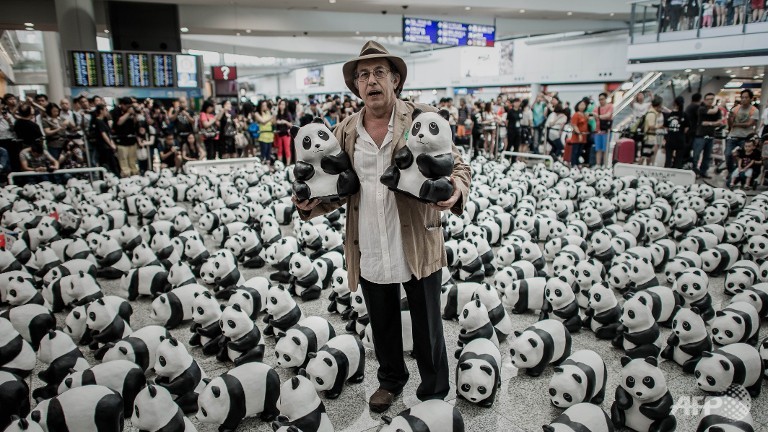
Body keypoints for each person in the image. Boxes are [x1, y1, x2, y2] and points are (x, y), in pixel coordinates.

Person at [292, 40, 470, 414]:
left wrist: (455, 190)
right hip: (369, 239)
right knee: (383, 320)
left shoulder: (420, 118)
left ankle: (434, 389)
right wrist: (309, 204)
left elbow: (458, 166)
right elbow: (336, 188)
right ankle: (390, 381)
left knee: (427, 323)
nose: (370, 81)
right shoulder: (343, 130)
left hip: (416, 239)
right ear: (356, 86)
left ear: (395, 80)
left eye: (378, 73)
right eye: (363, 75)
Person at [726, 89, 759, 175]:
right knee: (728, 154)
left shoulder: (754, 110)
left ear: (751, 99)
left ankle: (739, 174)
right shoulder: (735, 109)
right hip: (733, 135)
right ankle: (731, 172)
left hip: (746, 138)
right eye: (742, 97)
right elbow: (730, 124)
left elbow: (749, 124)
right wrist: (730, 118)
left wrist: (735, 124)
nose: (744, 99)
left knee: (743, 157)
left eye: (746, 97)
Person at [692, 93, 721, 178]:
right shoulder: (701, 108)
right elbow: (711, 113)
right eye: (708, 99)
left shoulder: (717, 110)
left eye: (712, 99)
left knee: (707, 155)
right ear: (704, 100)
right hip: (700, 135)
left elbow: (719, 122)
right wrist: (714, 123)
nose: (710, 101)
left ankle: (703, 171)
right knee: (696, 154)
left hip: (711, 135)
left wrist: (709, 123)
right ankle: (694, 171)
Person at [112, 97, 140, 177]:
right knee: (123, 161)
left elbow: (136, 123)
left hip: (132, 140)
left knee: (133, 161)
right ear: (122, 105)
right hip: (121, 141)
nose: (129, 108)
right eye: (127, 106)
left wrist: (134, 115)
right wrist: (127, 113)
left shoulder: (132, 111)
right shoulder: (116, 111)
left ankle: (135, 175)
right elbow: (119, 122)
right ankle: (126, 175)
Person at [89, 104, 119, 175]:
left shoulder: (104, 121)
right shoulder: (98, 121)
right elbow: (104, 135)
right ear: (101, 111)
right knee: (106, 164)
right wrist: (110, 145)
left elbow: (108, 134)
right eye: (105, 110)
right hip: (103, 147)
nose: (107, 112)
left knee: (113, 164)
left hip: (107, 146)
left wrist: (112, 144)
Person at [665, 96, 689, 168]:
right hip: (680, 139)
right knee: (678, 159)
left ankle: (666, 175)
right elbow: (686, 128)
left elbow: (666, 127)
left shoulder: (670, 115)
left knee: (668, 159)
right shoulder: (685, 115)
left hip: (670, 139)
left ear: (674, 103)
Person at [641, 97, 665, 166]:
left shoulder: (653, 113)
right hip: (649, 137)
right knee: (645, 155)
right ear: (658, 105)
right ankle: (642, 169)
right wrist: (660, 126)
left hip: (650, 137)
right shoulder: (652, 113)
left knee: (648, 154)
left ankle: (647, 168)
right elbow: (651, 126)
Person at [593, 93, 614, 167]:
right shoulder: (596, 108)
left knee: (606, 149)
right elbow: (595, 118)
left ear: (606, 99)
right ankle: (598, 164)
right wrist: (599, 117)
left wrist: (599, 116)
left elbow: (608, 116)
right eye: (599, 99)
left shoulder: (610, 106)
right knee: (598, 149)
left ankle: (605, 165)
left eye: (602, 99)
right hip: (598, 131)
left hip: (606, 131)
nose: (601, 101)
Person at [567, 99, 589, 166]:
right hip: (577, 136)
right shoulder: (576, 115)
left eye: (584, 105)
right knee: (575, 152)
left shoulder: (585, 115)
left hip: (584, 136)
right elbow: (574, 125)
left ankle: (577, 164)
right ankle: (573, 164)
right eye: (581, 104)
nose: (582, 106)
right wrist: (579, 134)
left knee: (580, 151)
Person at [274, 99, 294, 165]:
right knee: (279, 149)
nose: (282, 106)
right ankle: (280, 164)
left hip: (286, 134)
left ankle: (288, 164)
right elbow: (274, 123)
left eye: (283, 104)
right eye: (280, 104)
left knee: (287, 149)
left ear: (285, 106)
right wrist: (276, 122)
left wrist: (285, 122)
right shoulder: (277, 114)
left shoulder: (288, 114)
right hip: (279, 134)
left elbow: (291, 124)